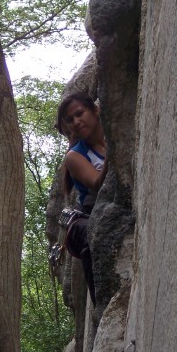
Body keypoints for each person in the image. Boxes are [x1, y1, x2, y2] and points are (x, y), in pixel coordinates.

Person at [56, 92, 108, 304]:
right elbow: (96, 182)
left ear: (95, 111)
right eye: (70, 120)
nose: (76, 122)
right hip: (94, 212)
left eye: (80, 114)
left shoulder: (111, 132)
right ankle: (100, 300)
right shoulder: (75, 156)